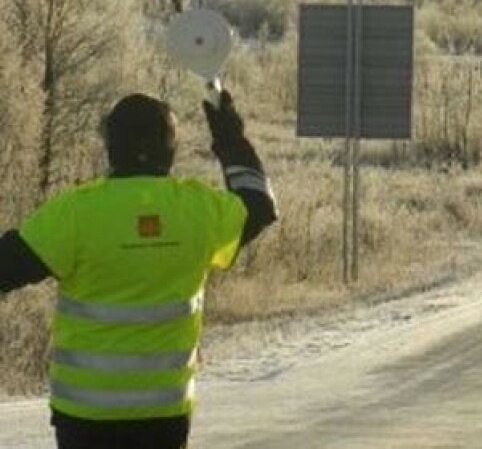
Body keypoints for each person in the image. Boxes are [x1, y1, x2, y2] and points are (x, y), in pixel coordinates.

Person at [0, 86, 277, 448]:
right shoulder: (198, 211)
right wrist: (229, 135)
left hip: (85, 419)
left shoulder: (76, 212)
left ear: (112, 147)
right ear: (168, 148)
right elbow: (259, 205)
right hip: (164, 416)